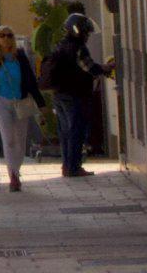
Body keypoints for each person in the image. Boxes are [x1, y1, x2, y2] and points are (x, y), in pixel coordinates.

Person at [0, 24, 46, 191]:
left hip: (21, 102)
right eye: (2, 35)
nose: (6, 38)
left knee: (20, 141)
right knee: (9, 140)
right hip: (1, 103)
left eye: (9, 35)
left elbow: (31, 81)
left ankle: (16, 170)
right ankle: (13, 175)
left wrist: (41, 104)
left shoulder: (20, 57)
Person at [43, 13, 115, 177]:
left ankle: (67, 166)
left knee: (65, 133)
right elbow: (90, 68)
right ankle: (74, 167)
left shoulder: (61, 45)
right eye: (86, 32)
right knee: (77, 131)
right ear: (80, 31)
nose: (87, 36)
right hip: (75, 95)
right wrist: (106, 68)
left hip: (59, 95)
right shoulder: (78, 48)